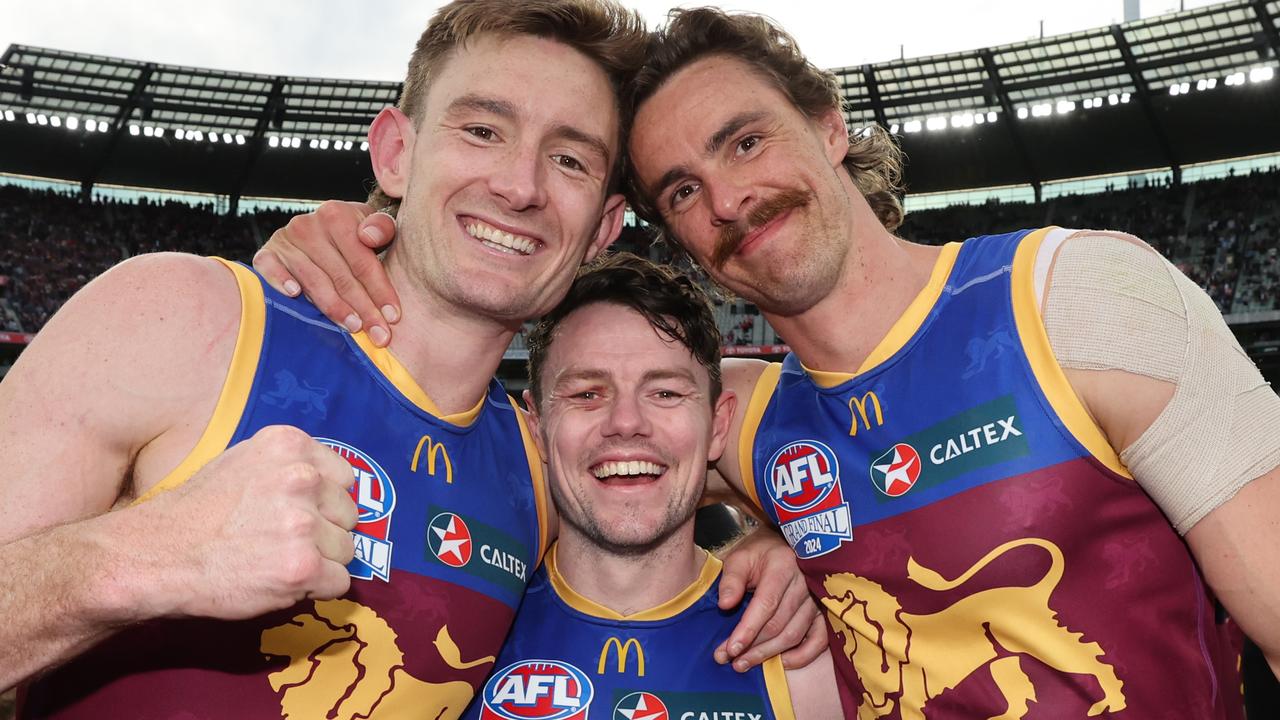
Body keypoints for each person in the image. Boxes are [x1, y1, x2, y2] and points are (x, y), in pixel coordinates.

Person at [261, 6, 1280, 719]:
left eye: (745, 142)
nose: (728, 200)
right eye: (682, 191)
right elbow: (577, 460)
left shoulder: (1073, 300)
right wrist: (340, 244)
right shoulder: (743, 418)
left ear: (830, 126)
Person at [0, 3, 817, 718]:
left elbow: (775, 432)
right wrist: (142, 559)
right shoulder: (180, 321)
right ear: (394, 153)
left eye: (569, 158)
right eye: (482, 129)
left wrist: (798, 560)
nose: (520, 185)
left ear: (602, 228)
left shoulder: (539, 470)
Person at [462, 252, 840, 720]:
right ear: (537, 427)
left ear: (718, 426)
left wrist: (810, 551)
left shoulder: (806, 654)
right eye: (586, 393)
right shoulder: (458, 628)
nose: (626, 423)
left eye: (664, 392)